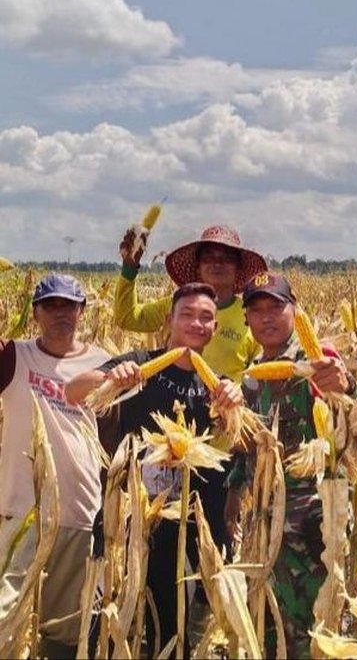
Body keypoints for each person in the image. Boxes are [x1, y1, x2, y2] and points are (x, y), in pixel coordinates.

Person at [66, 281, 243, 658]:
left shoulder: (217, 386)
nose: (197, 323)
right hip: (124, 522)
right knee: (109, 624)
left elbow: (240, 439)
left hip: (179, 532)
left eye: (206, 318)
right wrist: (111, 379)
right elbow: (73, 391)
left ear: (214, 328)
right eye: (188, 315)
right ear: (170, 321)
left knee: (171, 630)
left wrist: (234, 404)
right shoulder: (138, 363)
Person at [232, 271, 357, 659]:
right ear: (247, 319)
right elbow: (246, 446)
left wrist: (344, 385)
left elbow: (346, 397)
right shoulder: (252, 375)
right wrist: (235, 492)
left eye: (276, 307)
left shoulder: (317, 360)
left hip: (314, 523)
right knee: (271, 624)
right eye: (256, 310)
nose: (267, 317)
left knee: (316, 626)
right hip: (266, 522)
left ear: (294, 309)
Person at [0, 273, 109, 659]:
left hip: (79, 515)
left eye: (69, 305)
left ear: (83, 311)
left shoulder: (105, 363)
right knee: (7, 621)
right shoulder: (14, 356)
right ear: (35, 313)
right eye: (51, 305)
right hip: (20, 513)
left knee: (62, 633)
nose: (60, 313)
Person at [114, 224, 268, 381]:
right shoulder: (177, 305)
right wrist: (129, 268)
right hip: (172, 403)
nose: (217, 263)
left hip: (224, 403)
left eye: (226, 258)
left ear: (238, 269)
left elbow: (260, 375)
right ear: (198, 268)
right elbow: (127, 318)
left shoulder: (250, 317)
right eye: (209, 258)